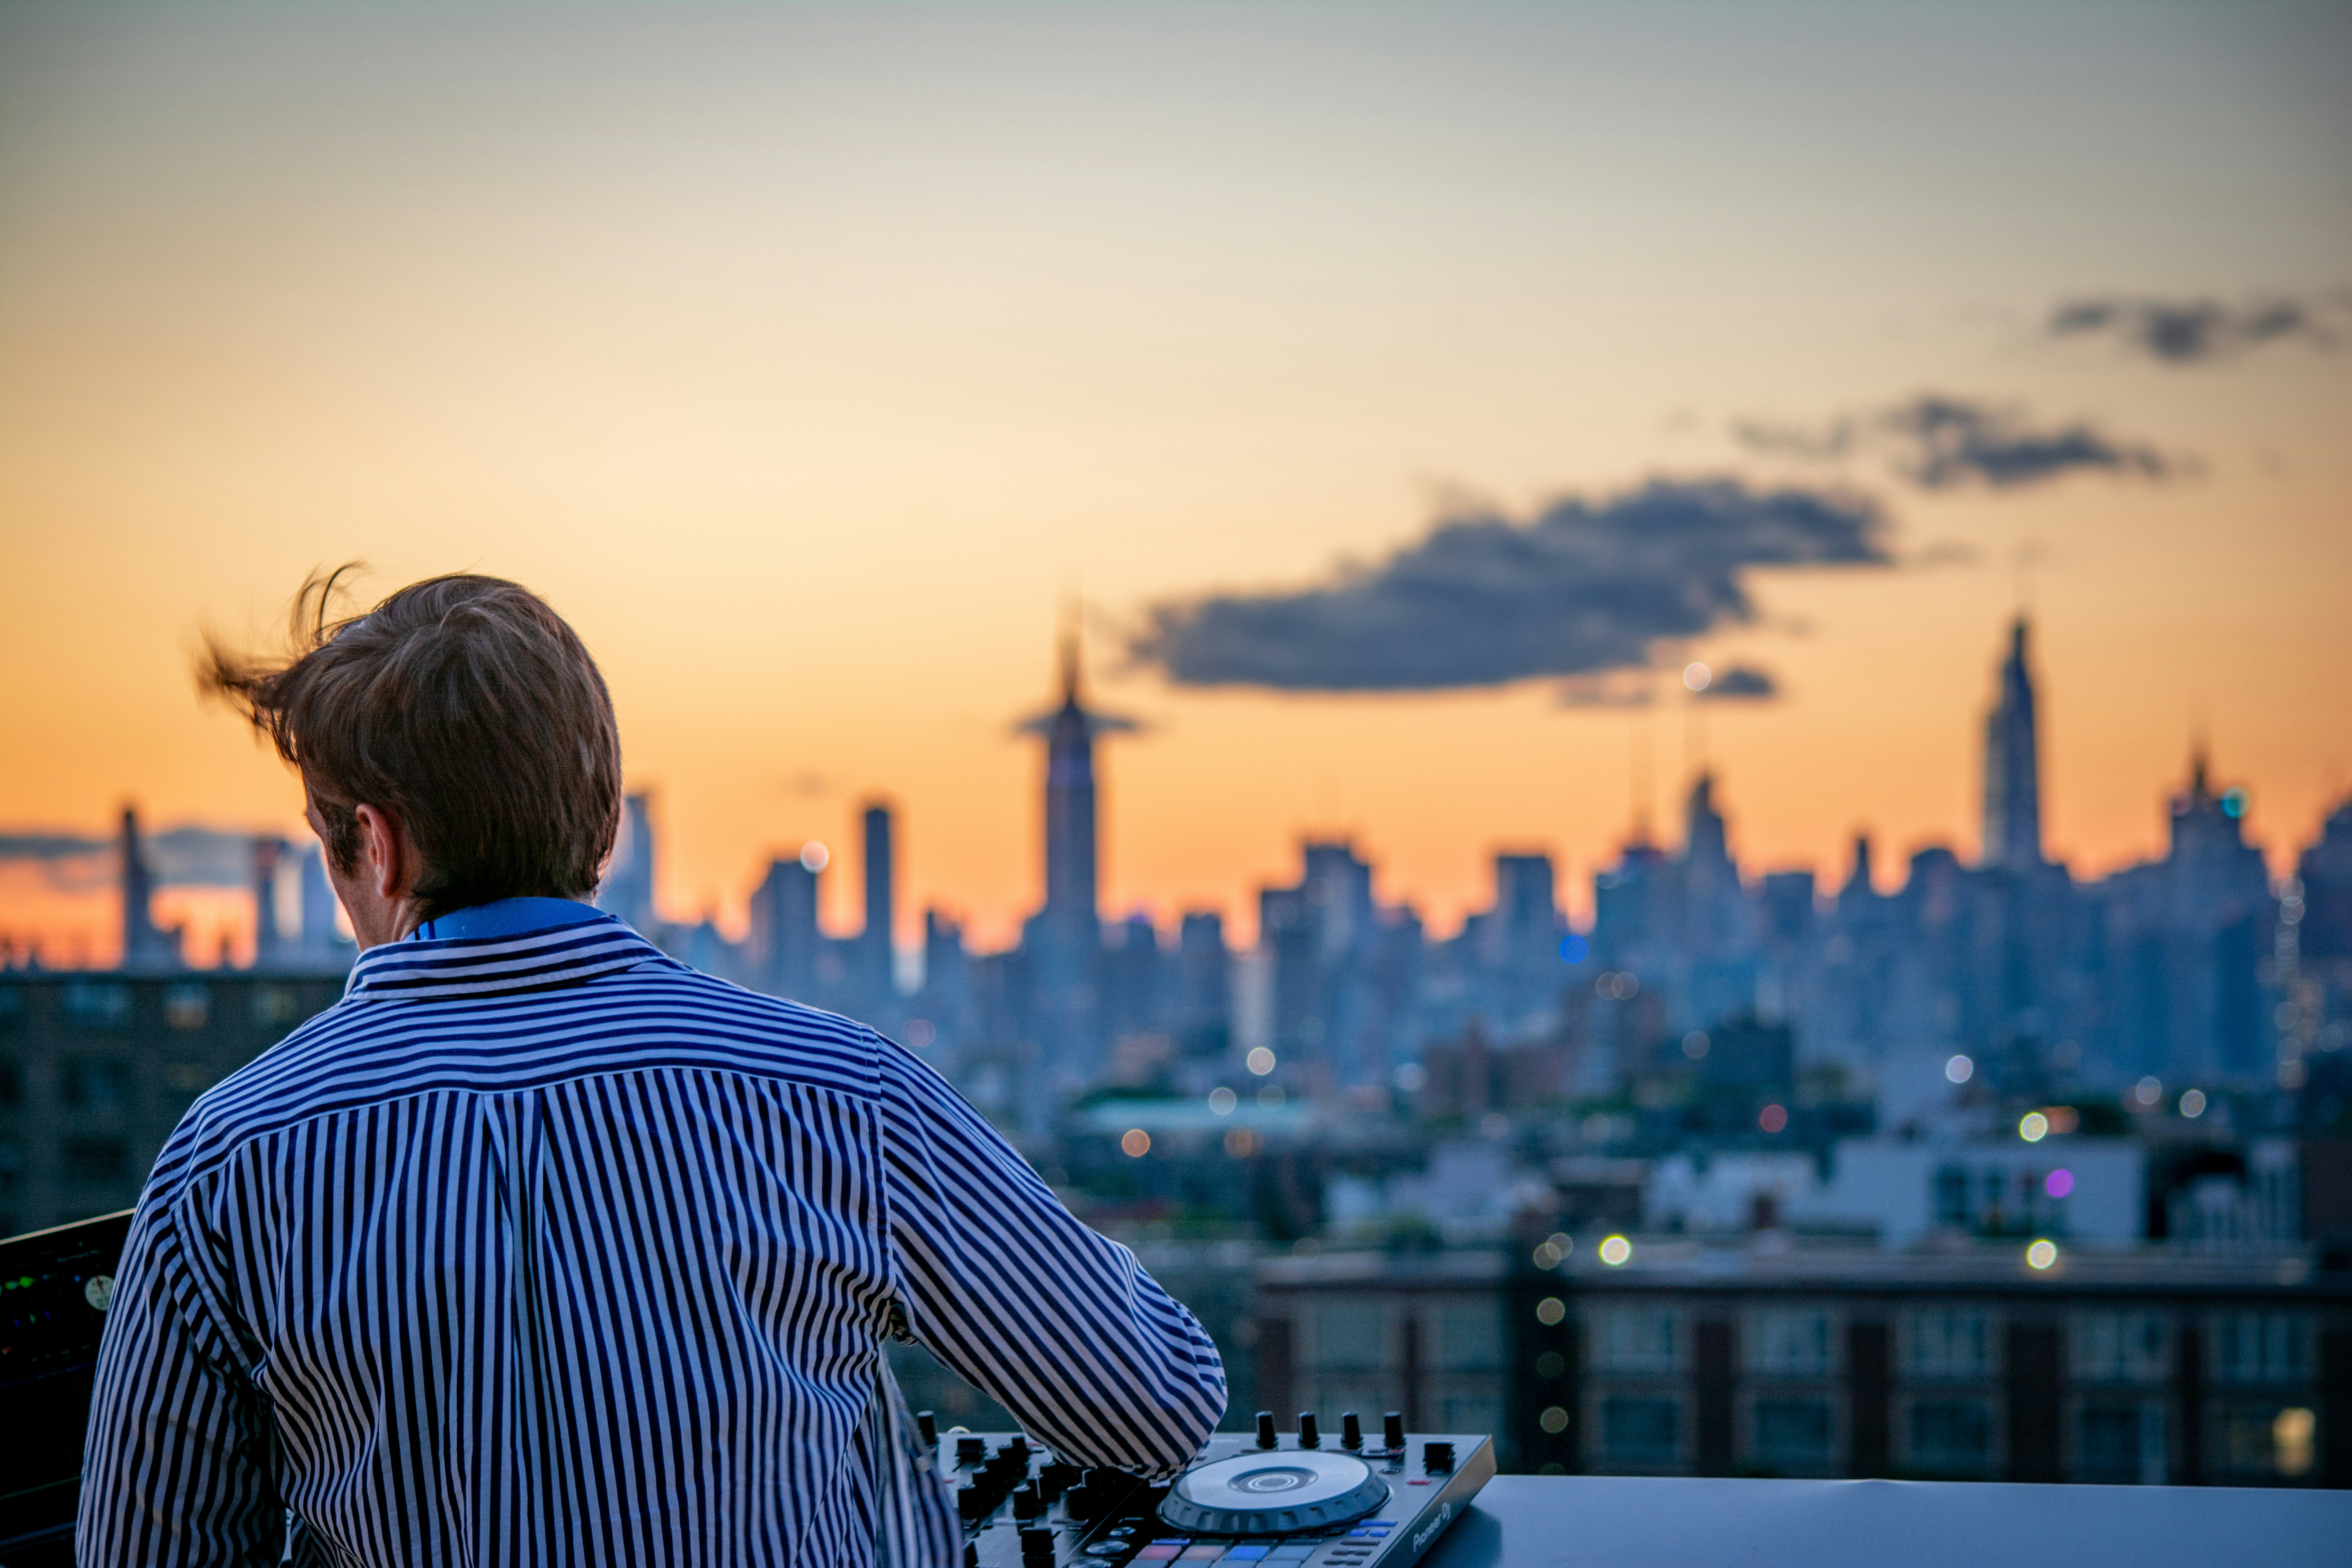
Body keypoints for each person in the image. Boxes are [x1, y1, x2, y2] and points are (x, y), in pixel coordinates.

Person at [80, 572, 1225, 1565]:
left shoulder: (229, 1162)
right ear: (605, 824)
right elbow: (1158, 1407)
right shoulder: (840, 1098)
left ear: (372, 846)